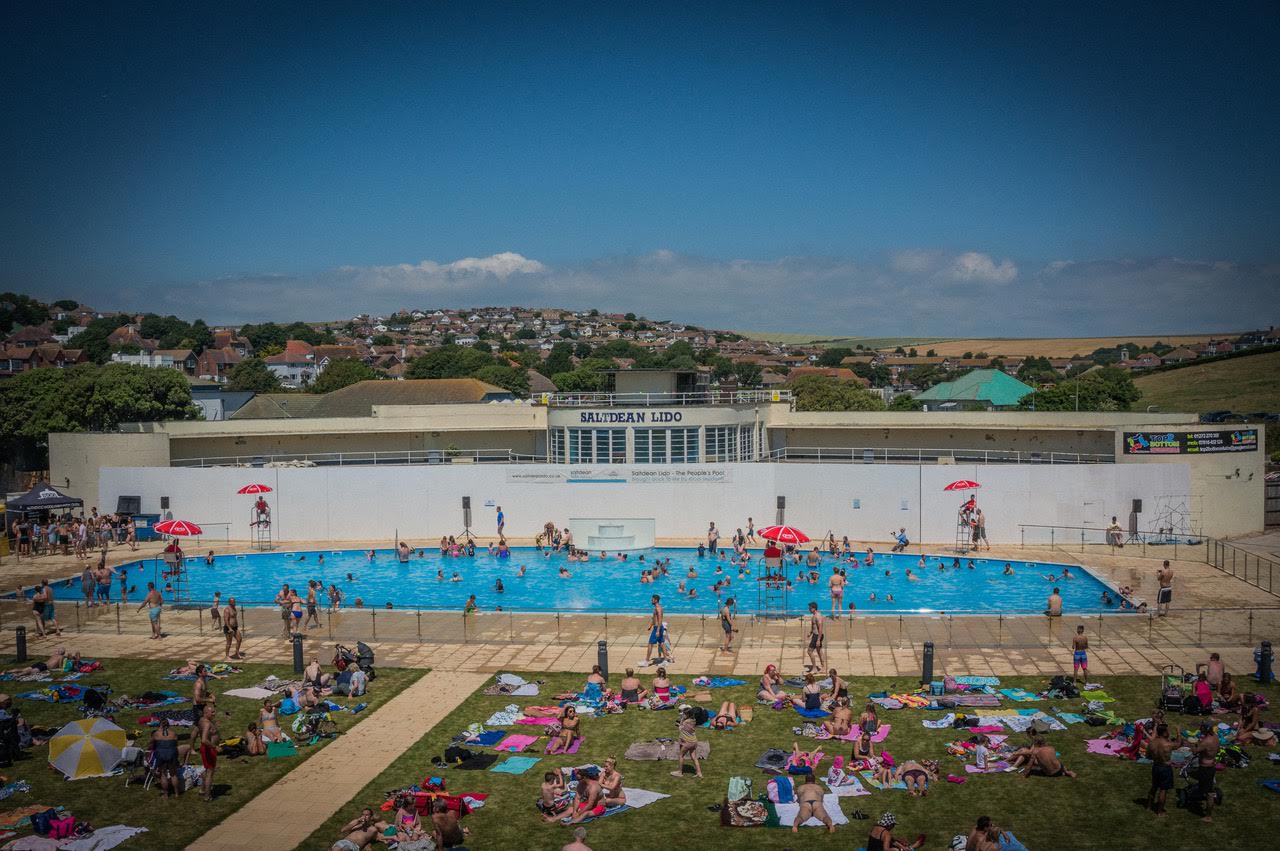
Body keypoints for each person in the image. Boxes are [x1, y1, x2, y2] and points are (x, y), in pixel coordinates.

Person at [1145, 722, 1181, 816]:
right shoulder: (1168, 744)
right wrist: (1178, 733)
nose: (1169, 732)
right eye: (1167, 731)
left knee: (1154, 787)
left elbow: (1148, 756)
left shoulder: (1152, 743)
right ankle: (1160, 812)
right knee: (1163, 790)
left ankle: (1148, 806)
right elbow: (1178, 744)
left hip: (1156, 767)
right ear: (1164, 733)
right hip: (1165, 768)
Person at [1191, 722, 1219, 822]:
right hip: (1211, 765)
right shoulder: (1215, 737)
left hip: (1205, 768)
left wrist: (1193, 745)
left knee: (1209, 793)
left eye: (1201, 729)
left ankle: (1208, 816)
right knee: (1208, 788)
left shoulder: (1206, 741)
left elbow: (1195, 751)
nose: (1200, 730)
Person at [151, 717, 182, 797]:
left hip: (161, 755)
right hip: (172, 754)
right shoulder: (174, 733)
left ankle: (166, 794)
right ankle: (176, 793)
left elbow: (151, 744)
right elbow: (176, 744)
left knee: (163, 775)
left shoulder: (156, 734)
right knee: (173, 774)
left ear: (160, 725)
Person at [672, 706, 703, 778]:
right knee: (694, 757)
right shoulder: (694, 720)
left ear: (688, 714)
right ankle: (699, 773)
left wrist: (682, 720)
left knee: (681, 755)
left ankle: (680, 772)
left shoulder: (685, 722)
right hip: (694, 741)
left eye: (684, 714)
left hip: (687, 742)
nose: (683, 715)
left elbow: (680, 728)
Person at [197, 703, 220, 801]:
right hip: (209, 749)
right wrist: (215, 747)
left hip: (206, 749)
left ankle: (202, 790)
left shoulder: (202, 720)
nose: (214, 713)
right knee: (210, 772)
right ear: (206, 713)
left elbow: (199, 732)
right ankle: (207, 796)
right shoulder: (206, 723)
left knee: (207, 770)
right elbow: (204, 739)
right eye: (212, 712)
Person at [806, 601, 826, 672]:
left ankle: (814, 668)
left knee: (809, 651)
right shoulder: (814, 615)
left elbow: (820, 628)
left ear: (814, 608)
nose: (809, 609)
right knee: (819, 651)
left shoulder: (818, 616)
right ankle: (823, 667)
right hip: (815, 635)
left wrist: (818, 640)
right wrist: (810, 632)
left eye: (810, 608)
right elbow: (814, 626)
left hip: (817, 636)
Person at [645, 594, 664, 664]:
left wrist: (658, 630)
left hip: (657, 628)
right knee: (662, 643)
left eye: (652, 599)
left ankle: (646, 661)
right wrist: (650, 625)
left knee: (650, 643)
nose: (651, 600)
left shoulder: (658, 608)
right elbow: (654, 618)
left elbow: (660, 620)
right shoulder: (657, 608)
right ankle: (666, 659)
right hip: (657, 627)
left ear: (656, 600)